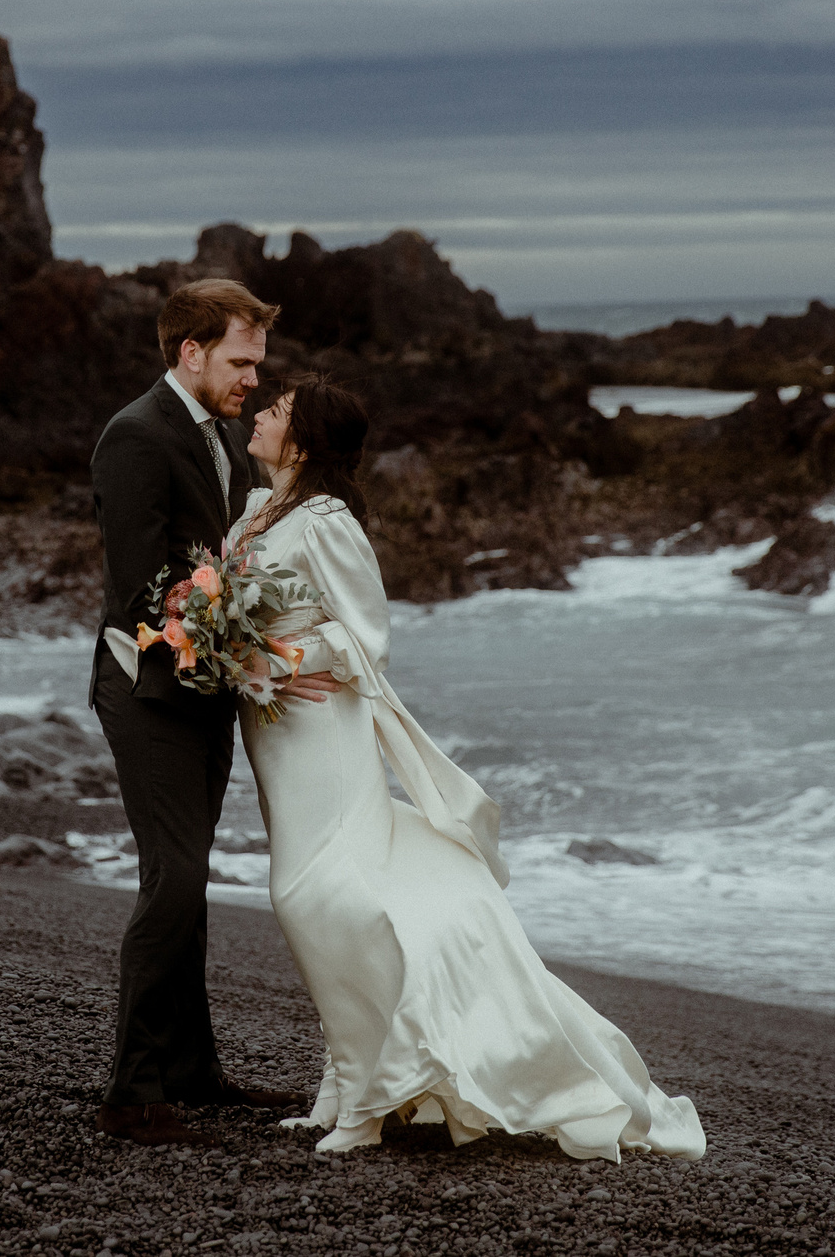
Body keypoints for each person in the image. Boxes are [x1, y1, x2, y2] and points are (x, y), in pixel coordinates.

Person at [233, 372, 709, 1162]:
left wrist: (277, 655)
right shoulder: (257, 511)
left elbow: (367, 639)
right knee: (313, 900)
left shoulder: (326, 521)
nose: (259, 412)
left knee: (319, 897)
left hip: (321, 727)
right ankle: (345, 1088)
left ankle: (369, 1101)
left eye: (276, 410)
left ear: (304, 440)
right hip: (274, 732)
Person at [87, 279, 338, 1146]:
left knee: (187, 881)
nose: (253, 381)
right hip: (147, 692)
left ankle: (191, 1069)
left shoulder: (225, 434)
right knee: (176, 877)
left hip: (202, 695)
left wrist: (246, 661)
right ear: (188, 351)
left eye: (258, 363)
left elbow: (220, 561)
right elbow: (139, 591)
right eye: (240, 360)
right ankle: (131, 1092)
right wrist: (254, 656)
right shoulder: (134, 436)